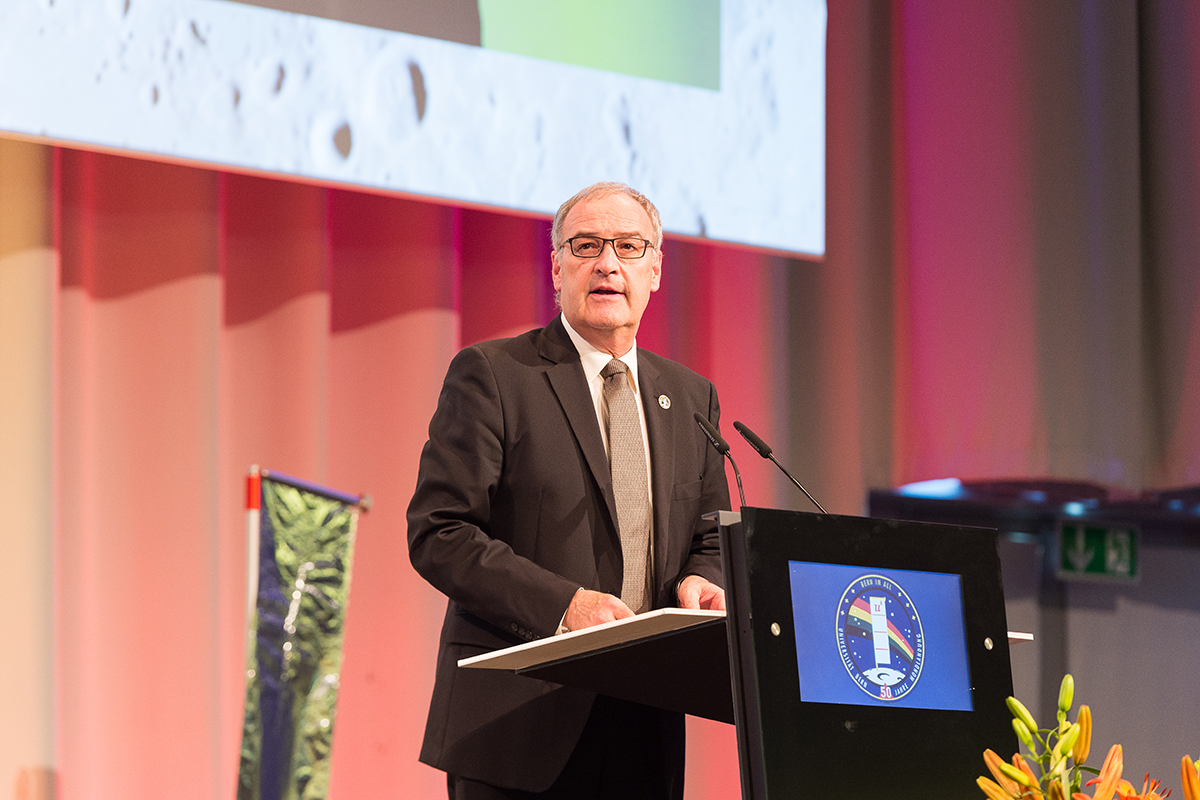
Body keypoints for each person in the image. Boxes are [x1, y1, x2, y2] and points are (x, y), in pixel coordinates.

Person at [407, 182, 731, 800]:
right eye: (587, 245)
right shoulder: (496, 375)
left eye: (630, 247)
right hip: (518, 721)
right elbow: (440, 532)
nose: (608, 263)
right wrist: (564, 607)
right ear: (556, 267)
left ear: (656, 269)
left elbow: (711, 533)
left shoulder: (691, 397)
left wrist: (703, 577)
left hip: (646, 723)